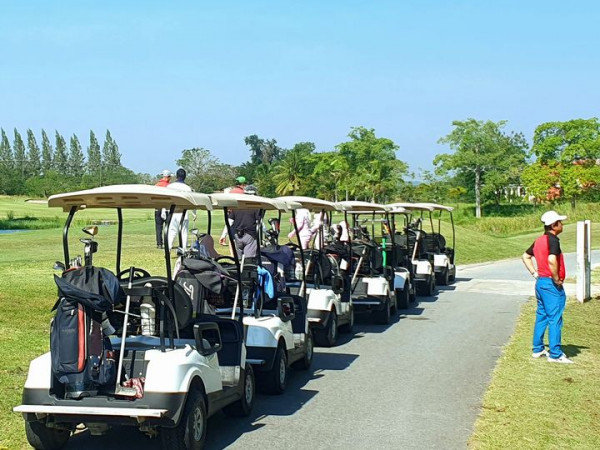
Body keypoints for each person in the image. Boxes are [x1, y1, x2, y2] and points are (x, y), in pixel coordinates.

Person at [522, 210, 573, 364]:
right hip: (551, 283)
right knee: (555, 318)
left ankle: (537, 349)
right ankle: (555, 354)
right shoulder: (553, 241)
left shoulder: (539, 240)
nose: (562, 225)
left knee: (542, 315)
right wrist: (557, 279)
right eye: (560, 222)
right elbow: (552, 260)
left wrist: (535, 274)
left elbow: (525, 256)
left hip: (541, 282)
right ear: (554, 225)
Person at [166, 168, 195, 251]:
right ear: (185, 177)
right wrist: (194, 213)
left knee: (171, 232)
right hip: (183, 213)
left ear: (176, 176)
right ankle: (184, 250)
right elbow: (192, 201)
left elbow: (166, 200)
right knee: (183, 232)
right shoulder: (188, 188)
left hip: (172, 212)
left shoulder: (169, 186)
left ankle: (168, 249)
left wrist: (164, 211)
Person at [154, 169, 171, 249]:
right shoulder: (169, 186)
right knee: (168, 227)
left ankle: (159, 244)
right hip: (167, 208)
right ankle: (167, 243)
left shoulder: (157, 185)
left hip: (158, 207)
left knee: (158, 227)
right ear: (168, 177)